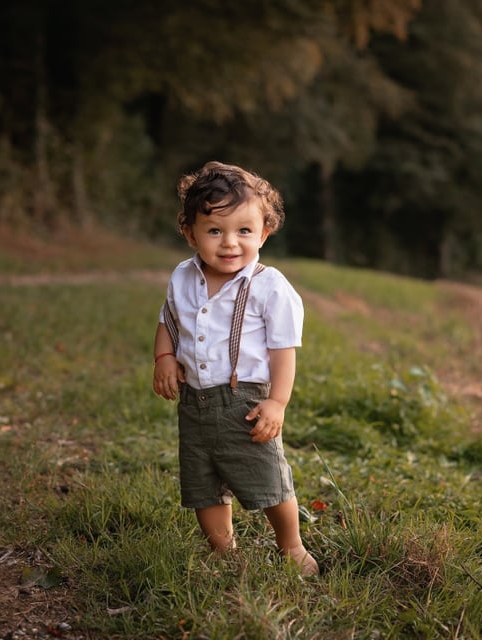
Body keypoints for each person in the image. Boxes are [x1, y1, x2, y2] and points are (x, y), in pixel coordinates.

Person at [152, 161, 318, 576]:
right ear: (190, 233)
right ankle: (223, 552)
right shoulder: (182, 277)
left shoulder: (269, 287)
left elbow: (283, 351)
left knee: (269, 479)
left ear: (263, 232)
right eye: (214, 231)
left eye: (244, 231)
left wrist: (277, 402)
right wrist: (165, 357)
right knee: (201, 484)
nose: (230, 243)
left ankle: (292, 547)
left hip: (244, 403)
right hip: (194, 402)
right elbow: (167, 321)